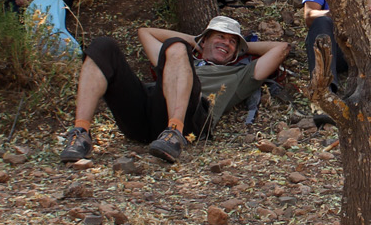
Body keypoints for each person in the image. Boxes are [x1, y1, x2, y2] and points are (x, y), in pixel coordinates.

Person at [60, 15, 288, 165]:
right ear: (205, 40)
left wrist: (243, 48)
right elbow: (145, 32)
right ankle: (80, 134)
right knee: (103, 47)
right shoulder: (181, 55)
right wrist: (194, 41)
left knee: (176, 47)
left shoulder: (239, 75)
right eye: (220, 37)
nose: (226, 43)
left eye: (232, 42)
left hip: (191, 118)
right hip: (146, 114)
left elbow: (281, 48)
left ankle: (174, 133)